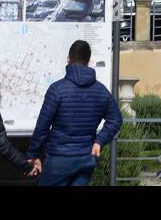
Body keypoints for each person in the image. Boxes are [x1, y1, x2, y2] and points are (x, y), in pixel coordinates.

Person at [27, 39, 122, 186]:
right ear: (88, 61)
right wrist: (99, 141)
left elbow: (42, 126)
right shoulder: (101, 91)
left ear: (68, 59)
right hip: (86, 158)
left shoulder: (57, 89)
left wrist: (33, 154)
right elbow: (116, 119)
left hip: (59, 158)